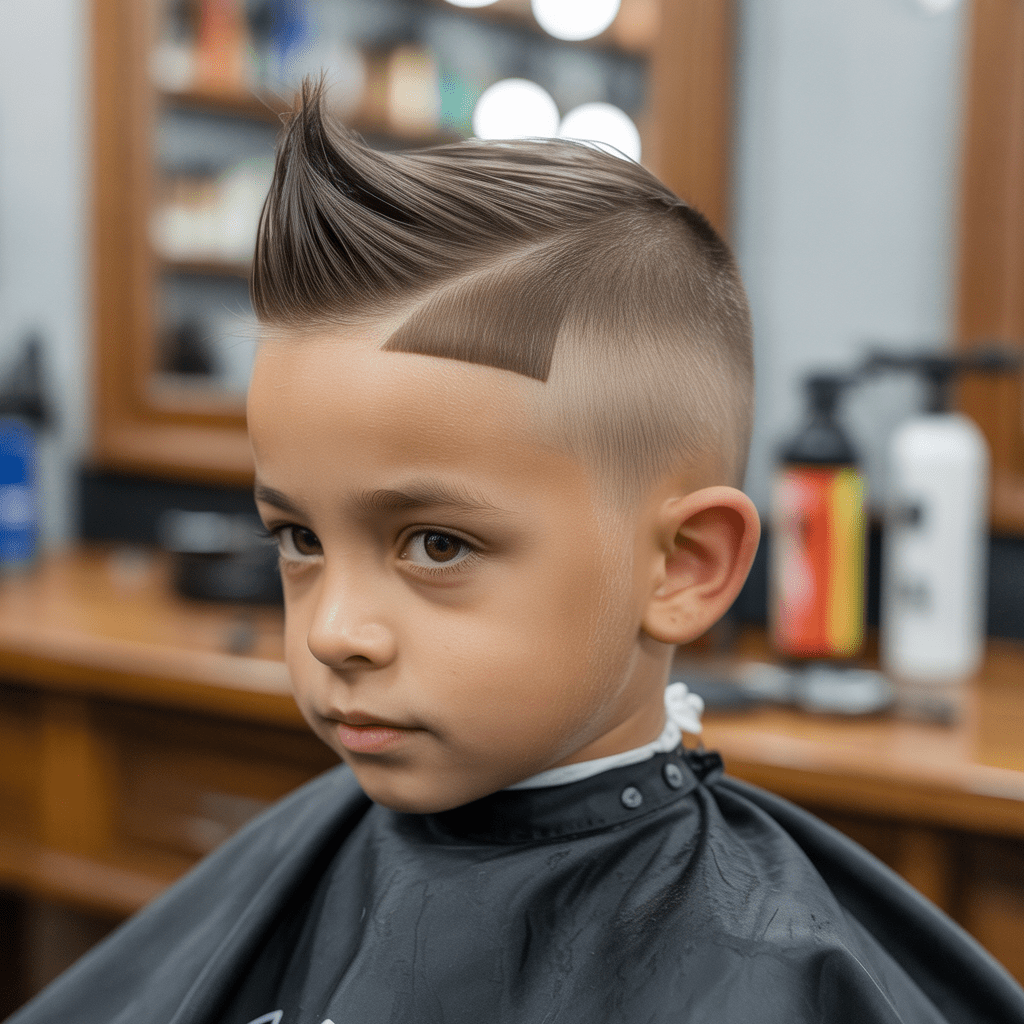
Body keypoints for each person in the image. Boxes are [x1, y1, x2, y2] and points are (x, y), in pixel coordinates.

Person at [10, 80, 1024, 1024]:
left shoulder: (771, 968)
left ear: (684, 567)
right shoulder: (309, 846)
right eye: (301, 538)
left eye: (436, 543)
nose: (333, 633)